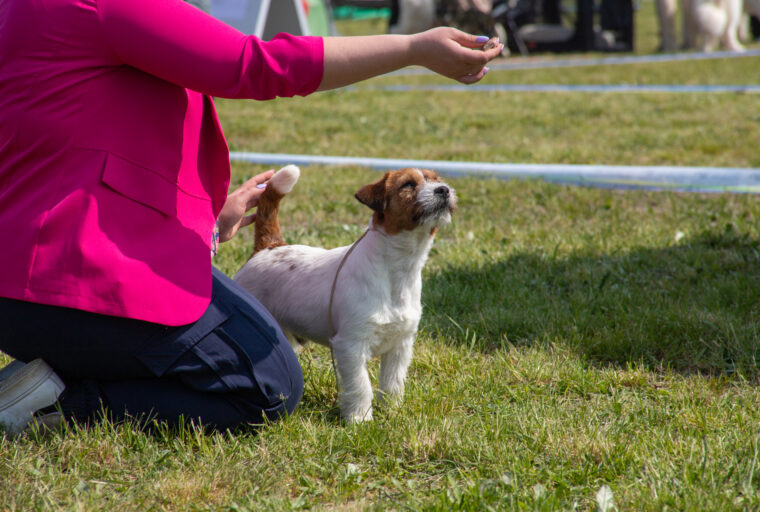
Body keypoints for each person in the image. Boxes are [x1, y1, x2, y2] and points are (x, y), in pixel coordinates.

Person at [0, 0, 502, 435]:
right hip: (64, 280)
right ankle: (60, 404)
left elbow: (68, 146)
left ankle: (52, 369)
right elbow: (254, 64)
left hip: (27, 278)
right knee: (269, 386)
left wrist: (206, 220)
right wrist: (412, 49)